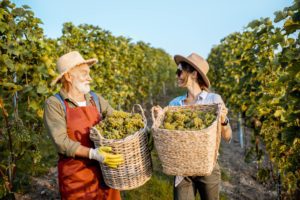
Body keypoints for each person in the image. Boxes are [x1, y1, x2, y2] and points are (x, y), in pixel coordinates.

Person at [43, 51, 124, 200]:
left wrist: (139, 127)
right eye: (84, 73)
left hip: (105, 173)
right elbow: (61, 142)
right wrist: (94, 154)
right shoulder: (55, 104)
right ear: (68, 76)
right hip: (76, 177)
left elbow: (117, 118)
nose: (90, 78)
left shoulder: (94, 98)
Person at [155, 53, 232, 200]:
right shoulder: (175, 104)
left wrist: (223, 120)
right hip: (181, 168)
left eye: (179, 72)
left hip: (207, 168)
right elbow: (168, 137)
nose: (177, 76)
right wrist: (161, 118)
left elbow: (228, 136)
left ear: (194, 74)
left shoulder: (213, 100)